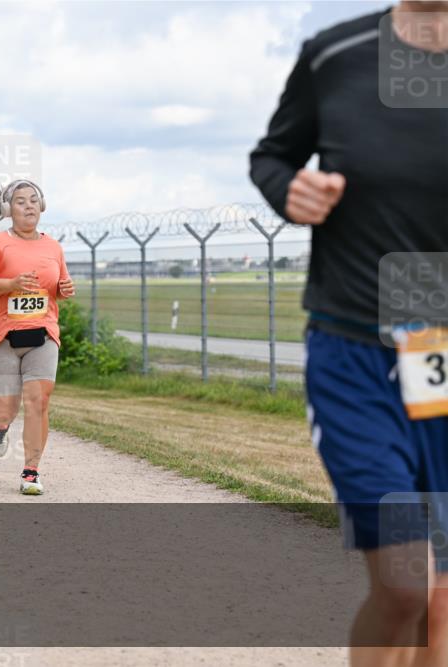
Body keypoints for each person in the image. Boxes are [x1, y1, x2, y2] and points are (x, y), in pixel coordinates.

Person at [250, 3, 448, 665]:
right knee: (404, 582)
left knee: (442, 601)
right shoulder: (336, 53)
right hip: (355, 353)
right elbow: (273, 155)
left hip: (443, 357)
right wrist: (290, 191)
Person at [0, 180, 76, 495]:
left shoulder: (53, 246)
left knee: (38, 401)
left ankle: (31, 471)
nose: (28, 206)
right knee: (6, 409)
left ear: (41, 206)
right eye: (20, 201)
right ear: (7, 209)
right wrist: (11, 283)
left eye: (33, 200)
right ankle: (0, 428)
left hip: (43, 333)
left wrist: (63, 290)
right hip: (3, 335)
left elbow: (59, 284)